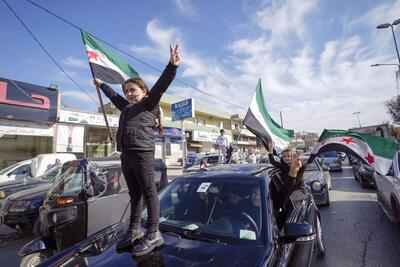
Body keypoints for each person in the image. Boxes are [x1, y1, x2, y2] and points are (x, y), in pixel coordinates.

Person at [94, 44, 180, 256]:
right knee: (134, 194)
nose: (129, 94)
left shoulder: (149, 103)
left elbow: (161, 85)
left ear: (144, 92)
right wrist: (102, 84)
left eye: (133, 90)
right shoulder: (126, 107)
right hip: (126, 154)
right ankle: (134, 231)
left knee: (149, 192)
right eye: (126, 91)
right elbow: (114, 97)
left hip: (143, 153)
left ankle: (153, 233)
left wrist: (172, 66)